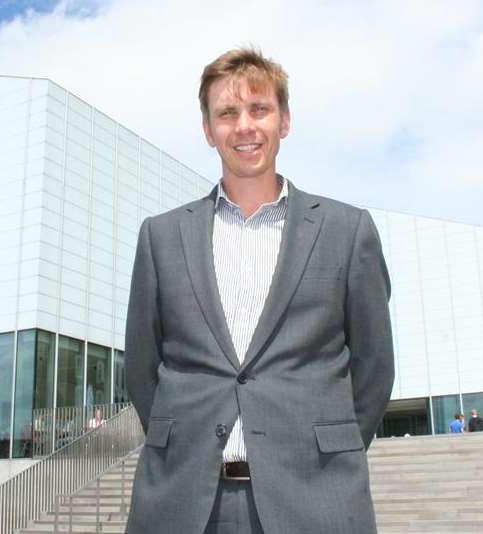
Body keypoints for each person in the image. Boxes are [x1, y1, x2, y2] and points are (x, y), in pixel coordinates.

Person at [124, 48, 395, 534]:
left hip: (317, 500)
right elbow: (143, 372)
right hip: (184, 505)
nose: (244, 126)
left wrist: (322, 445)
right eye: (227, 113)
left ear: (284, 121)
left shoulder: (347, 231)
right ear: (208, 130)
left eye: (259, 109)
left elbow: (374, 369)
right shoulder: (160, 237)